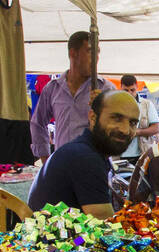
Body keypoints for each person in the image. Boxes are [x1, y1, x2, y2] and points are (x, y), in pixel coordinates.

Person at [28, 88, 138, 218]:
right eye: (116, 118)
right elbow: (108, 230)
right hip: (67, 238)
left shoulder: (86, 151)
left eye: (132, 123)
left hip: (73, 237)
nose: (125, 130)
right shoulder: (85, 157)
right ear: (92, 117)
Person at [28, 31, 110, 161]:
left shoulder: (105, 89)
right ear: (73, 53)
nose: (96, 57)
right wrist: (45, 160)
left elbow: (118, 129)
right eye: (90, 51)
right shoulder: (53, 88)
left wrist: (103, 113)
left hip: (94, 165)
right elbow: (37, 123)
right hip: (62, 166)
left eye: (98, 52)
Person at [118, 73, 159, 162]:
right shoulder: (114, 105)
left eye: (132, 90)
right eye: (126, 90)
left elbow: (156, 128)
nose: (129, 93)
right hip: (118, 155)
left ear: (137, 87)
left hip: (142, 154)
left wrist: (138, 132)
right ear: (121, 88)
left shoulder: (146, 104)